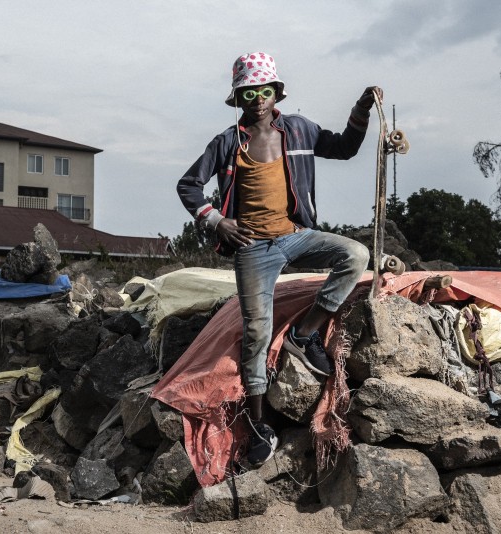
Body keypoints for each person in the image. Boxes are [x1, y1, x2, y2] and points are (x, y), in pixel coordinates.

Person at [176, 52, 381, 467]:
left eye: (265, 91)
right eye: (249, 93)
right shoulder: (227, 143)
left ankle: (304, 334)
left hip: (296, 235)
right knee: (256, 333)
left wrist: (361, 110)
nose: (258, 99)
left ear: (276, 94)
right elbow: (189, 185)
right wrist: (217, 221)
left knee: (355, 254)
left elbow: (343, 148)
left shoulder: (300, 131)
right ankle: (258, 425)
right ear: (240, 98)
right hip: (253, 249)